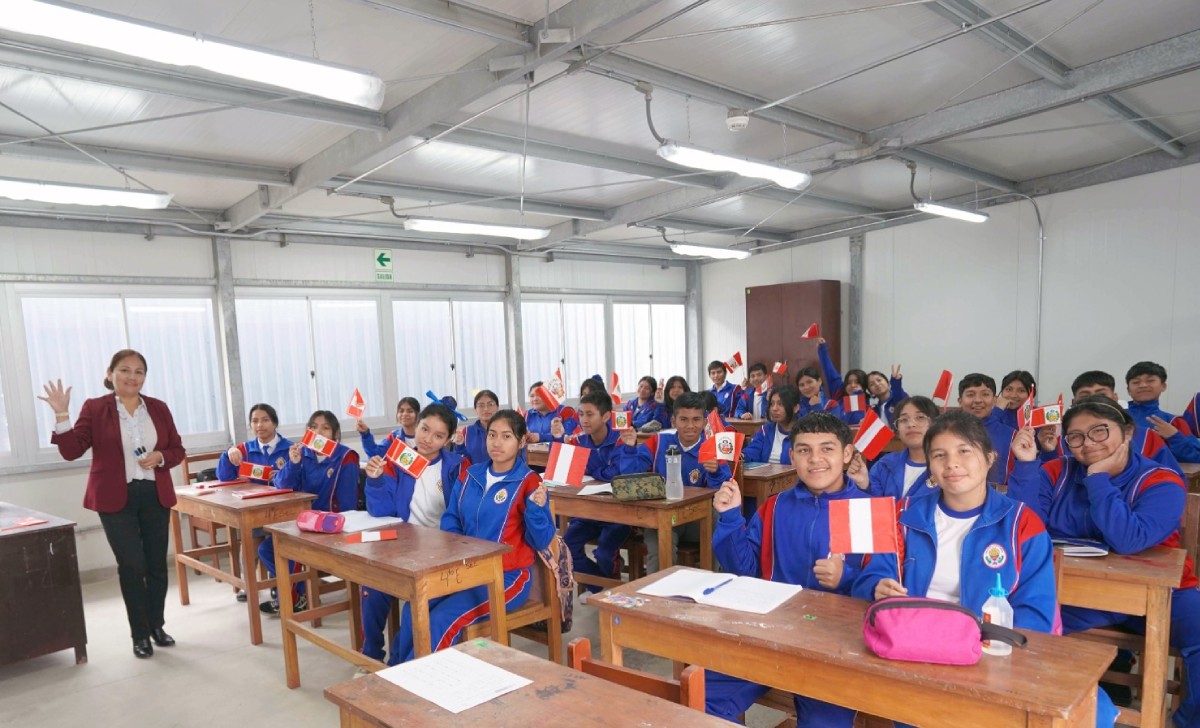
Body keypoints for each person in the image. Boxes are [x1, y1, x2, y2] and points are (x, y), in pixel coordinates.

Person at [852, 412, 1117, 727]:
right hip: (915, 648)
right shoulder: (903, 515)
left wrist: (981, 653)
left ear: (990, 458)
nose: (952, 463)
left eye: (964, 451)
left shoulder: (1021, 523)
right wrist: (876, 585)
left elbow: (1037, 614)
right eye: (940, 455)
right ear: (930, 468)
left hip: (990, 655)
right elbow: (870, 574)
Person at [1009, 396, 1199, 728]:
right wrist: (1026, 465)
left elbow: (1129, 539)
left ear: (1127, 432)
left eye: (1100, 431)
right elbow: (1023, 530)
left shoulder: (1162, 480)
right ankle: (1068, 712)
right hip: (1075, 590)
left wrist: (1098, 478)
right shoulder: (1057, 471)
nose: (1088, 444)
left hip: (1163, 593)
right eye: (1076, 437)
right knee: (1014, 627)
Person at [705, 413, 869, 727]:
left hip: (834, 648)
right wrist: (729, 518)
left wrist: (846, 577)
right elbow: (745, 568)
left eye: (827, 449)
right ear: (791, 456)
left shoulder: (866, 510)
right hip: (769, 633)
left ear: (847, 454)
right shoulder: (776, 506)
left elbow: (882, 587)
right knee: (702, 698)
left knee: (825, 722)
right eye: (804, 450)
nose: (815, 459)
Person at [41, 349, 186, 659]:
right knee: (133, 565)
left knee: (157, 565)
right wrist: (62, 415)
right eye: (124, 370)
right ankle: (139, 634)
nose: (132, 377)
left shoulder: (158, 408)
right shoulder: (96, 408)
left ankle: (156, 625)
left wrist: (161, 457)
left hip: (153, 493)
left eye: (138, 372)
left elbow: (177, 449)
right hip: (114, 497)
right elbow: (71, 450)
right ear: (110, 374)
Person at [387, 410, 555, 664]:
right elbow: (451, 517)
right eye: (492, 435)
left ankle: (413, 685)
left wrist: (536, 510)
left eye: (506, 436)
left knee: (443, 618)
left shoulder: (530, 482)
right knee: (414, 607)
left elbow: (541, 540)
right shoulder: (471, 474)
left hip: (506, 576)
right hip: (465, 568)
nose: (496, 443)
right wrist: (460, 549)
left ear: (521, 442)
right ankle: (396, 672)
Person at [359, 403, 467, 662]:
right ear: (416, 426)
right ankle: (371, 655)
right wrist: (375, 480)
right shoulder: (398, 461)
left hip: (442, 551)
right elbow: (381, 510)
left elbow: (463, 514)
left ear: (449, 439)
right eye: (424, 429)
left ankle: (399, 663)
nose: (428, 439)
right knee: (371, 588)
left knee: (417, 603)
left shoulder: (457, 466)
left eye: (438, 436)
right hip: (401, 546)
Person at [259, 410, 360, 615]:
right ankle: (296, 595)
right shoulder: (302, 453)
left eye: (325, 427)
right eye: (313, 427)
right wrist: (293, 463)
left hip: (331, 526)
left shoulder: (346, 457)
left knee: (294, 552)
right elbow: (282, 485)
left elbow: (349, 503)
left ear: (334, 433)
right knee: (267, 549)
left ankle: (291, 599)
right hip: (303, 523)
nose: (319, 432)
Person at [615, 392, 731, 571]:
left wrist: (715, 472)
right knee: (661, 551)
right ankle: (657, 595)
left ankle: (711, 586)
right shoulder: (658, 441)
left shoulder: (712, 447)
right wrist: (630, 449)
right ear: (673, 420)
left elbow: (725, 492)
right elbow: (631, 476)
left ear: (705, 421)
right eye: (684, 419)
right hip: (664, 517)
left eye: (696, 419)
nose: (690, 426)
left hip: (698, 521)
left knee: (717, 522)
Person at [1035, 371, 1181, 475]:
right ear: (1074, 403)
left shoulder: (1147, 436)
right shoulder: (1066, 439)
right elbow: (1050, 480)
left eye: (1101, 394)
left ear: (1115, 398)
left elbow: (1172, 479)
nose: (1093, 400)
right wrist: (1049, 452)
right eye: (1084, 396)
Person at [562, 392, 630, 592]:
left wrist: (592, 470)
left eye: (590, 414)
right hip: (588, 512)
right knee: (565, 549)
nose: (584, 419)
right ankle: (602, 590)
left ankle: (610, 588)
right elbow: (566, 472)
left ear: (606, 416)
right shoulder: (580, 442)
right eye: (581, 414)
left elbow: (617, 475)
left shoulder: (620, 440)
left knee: (603, 554)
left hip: (618, 514)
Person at [856, 396, 938, 499]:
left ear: (935, 424)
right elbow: (875, 507)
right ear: (897, 431)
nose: (911, 424)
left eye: (920, 417)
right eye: (903, 419)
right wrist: (864, 485)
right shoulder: (884, 465)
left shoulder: (948, 466)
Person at [1124, 361, 1200, 463]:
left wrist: (1174, 437)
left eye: (1150, 380)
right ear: (1128, 389)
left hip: (1156, 476)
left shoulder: (1174, 422)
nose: (1142, 385)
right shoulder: (1115, 416)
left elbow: (1196, 457)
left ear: (1163, 386)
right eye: (1136, 382)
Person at [957, 373, 1015, 486]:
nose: (978, 400)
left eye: (985, 394)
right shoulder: (947, 434)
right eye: (970, 395)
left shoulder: (1012, 436)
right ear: (960, 401)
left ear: (994, 400)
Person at [216, 403, 291, 483]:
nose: (259, 425)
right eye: (255, 421)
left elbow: (299, 480)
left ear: (275, 423)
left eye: (265, 420)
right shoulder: (243, 450)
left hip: (285, 495)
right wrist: (228, 455)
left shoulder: (291, 449)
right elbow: (224, 477)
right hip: (252, 495)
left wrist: (284, 476)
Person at [741, 385, 801, 465]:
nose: (774, 408)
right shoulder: (766, 429)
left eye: (780, 404)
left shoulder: (803, 432)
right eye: (772, 404)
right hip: (765, 475)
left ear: (795, 408)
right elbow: (753, 450)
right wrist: (742, 456)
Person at [815, 337, 867, 424]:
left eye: (857, 382)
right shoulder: (838, 392)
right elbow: (829, 371)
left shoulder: (868, 406)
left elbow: (854, 422)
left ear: (864, 386)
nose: (853, 385)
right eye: (849, 382)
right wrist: (822, 349)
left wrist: (856, 396)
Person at [454, 389, 499, 468]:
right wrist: (459, 445)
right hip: (475, 477)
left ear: (497, 407)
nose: (486, 409)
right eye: (481, 405)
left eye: (490, 404)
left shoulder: (507, 430)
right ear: (475, 409)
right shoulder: (467, 431)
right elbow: (460, 460)